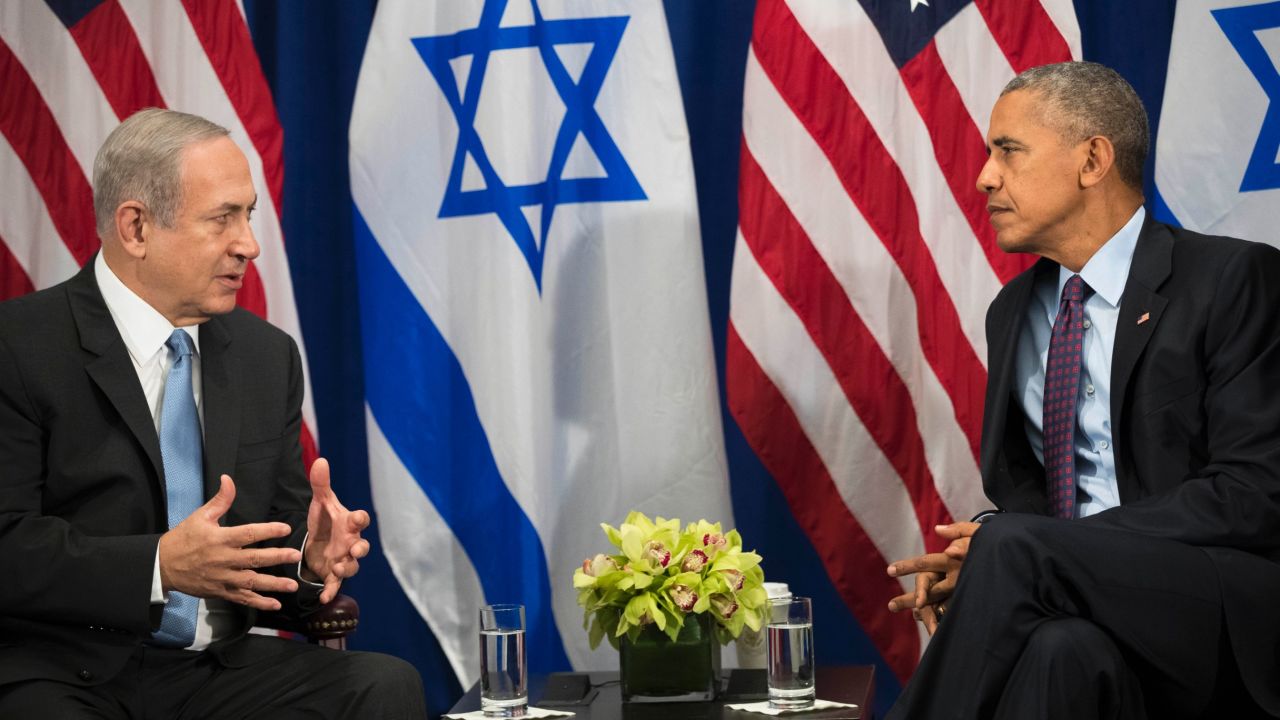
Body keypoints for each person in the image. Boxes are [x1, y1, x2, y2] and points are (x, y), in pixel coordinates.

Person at [884, 61, 1280, 719]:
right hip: (1078, 604)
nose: (984, 177)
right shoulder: (1012, 312)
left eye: (1007, 151)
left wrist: (1044, 551)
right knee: (1059, 651)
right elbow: (1029, 498)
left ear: (1092, 159)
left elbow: (1254, 495)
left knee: (1009, 545)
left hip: (1217, 606)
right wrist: (1016, 557)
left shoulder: (1233, 280)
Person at [0, 108, 426, 718]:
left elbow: (274, 539)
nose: (249, 244)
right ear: (136, 228)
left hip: (214, 670)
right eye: (222, 218)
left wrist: (309, 560)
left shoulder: (264, 355)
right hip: (67, 671)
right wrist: (158, 566)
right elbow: (7, 541)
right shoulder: (18, 346)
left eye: (248, 214)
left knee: (383, 686)